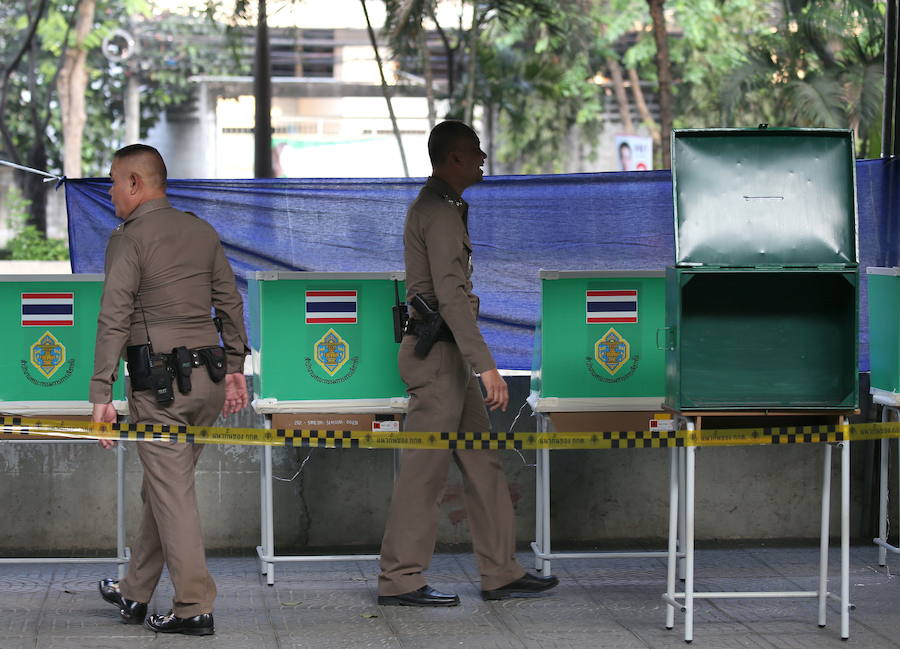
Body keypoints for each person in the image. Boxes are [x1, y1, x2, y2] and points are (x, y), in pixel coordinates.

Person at [377, 121, 558, 607]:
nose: (482, 159)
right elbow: (451, 299)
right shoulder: (437, 212)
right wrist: (488, 367)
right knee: (425, 473)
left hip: (448, 357)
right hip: (437, 358)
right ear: (452, 159)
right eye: (474, 152)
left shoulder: (449, 206)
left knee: (482, 463)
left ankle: (500, 572)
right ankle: (401, 579)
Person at [90, 144, 250, 636]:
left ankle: (193, 607)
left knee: (172, 494)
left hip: (161, 391)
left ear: (136, 184)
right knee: (163, 488)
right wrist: (238, 365)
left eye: (115, 180)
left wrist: (101, 393)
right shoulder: (200, 231)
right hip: (208, 385)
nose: (112, 190)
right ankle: (135, 591)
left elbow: (114, 315)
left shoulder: (130, 237)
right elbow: (228, 300)